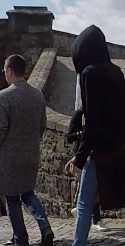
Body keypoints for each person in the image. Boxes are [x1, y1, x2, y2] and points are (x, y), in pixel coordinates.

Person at [68, 25, 125, 246]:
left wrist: (80, 157)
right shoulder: (115, 71)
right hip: (118, 147)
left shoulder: (90, 74)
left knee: (84, 204)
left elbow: (92, 121)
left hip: (99, 151)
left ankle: (77, 244)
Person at [0, 54, 55, 246]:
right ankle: (45, 227)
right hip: (31, 154)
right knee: (28, 194)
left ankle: (21, 239)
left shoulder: (4, 97)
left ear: (9, 70)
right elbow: (42, 125)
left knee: (12, 197)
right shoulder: (37, 95)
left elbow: (1, 129)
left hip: (9, 158)